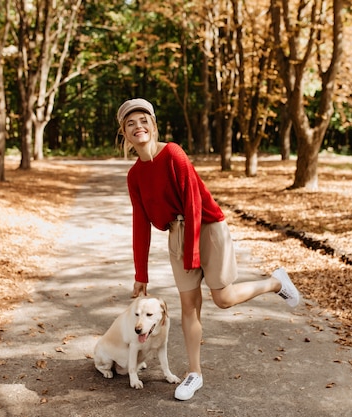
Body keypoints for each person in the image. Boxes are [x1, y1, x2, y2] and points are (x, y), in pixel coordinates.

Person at [116, 98, 300, 401]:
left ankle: (275, 282)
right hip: (177, 233)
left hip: (207, 227)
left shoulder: (173, 153)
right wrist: (141, 274)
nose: (138, 127)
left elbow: (193, 203)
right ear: (124, 133)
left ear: (153, 123)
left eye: (143, 120)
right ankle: (194, 373)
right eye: (130, 123)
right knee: (188, 306)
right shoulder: (134, 175)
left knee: (223, 298)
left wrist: (194, 254)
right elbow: (140, 223)